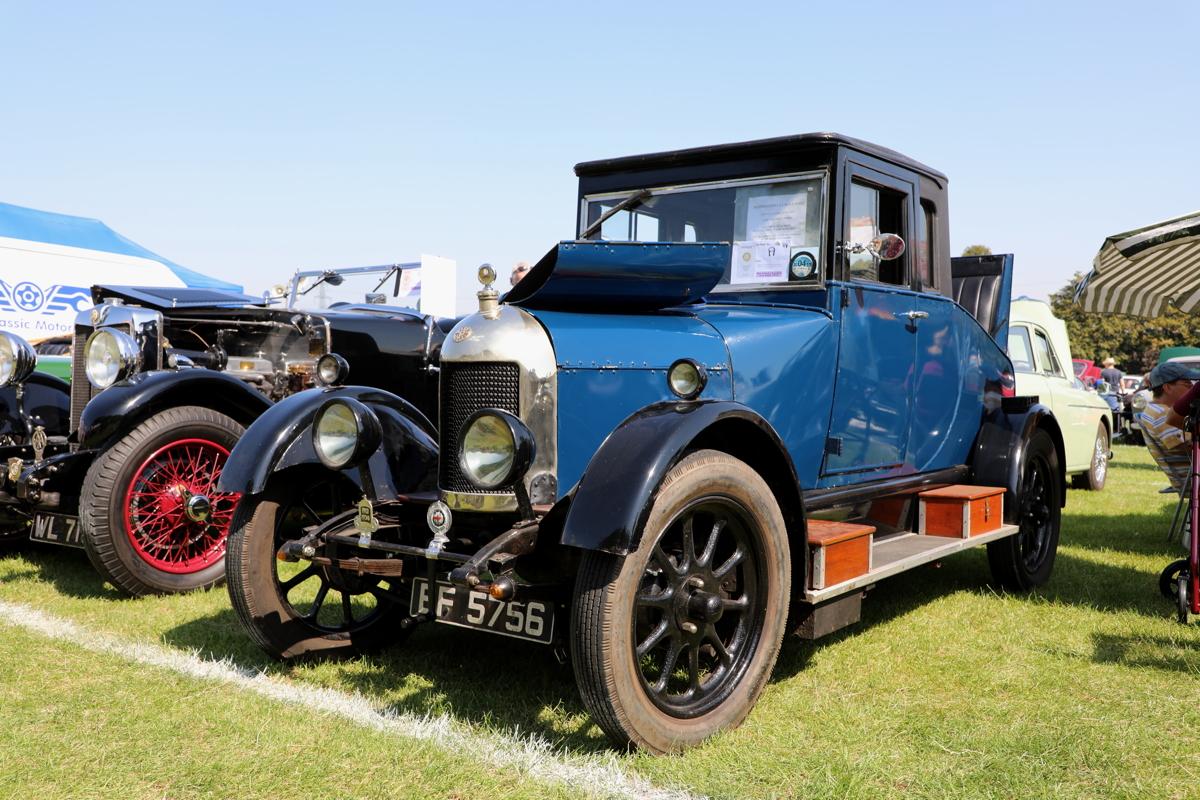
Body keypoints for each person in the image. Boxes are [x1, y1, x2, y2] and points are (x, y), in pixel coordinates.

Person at [1137, 362, 1200, 492]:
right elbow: (1188, 446)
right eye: (1187, 383)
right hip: (1192, 477)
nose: (1191, 387)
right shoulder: (1161, 414)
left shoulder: (1154, 409)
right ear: (1167, 387)